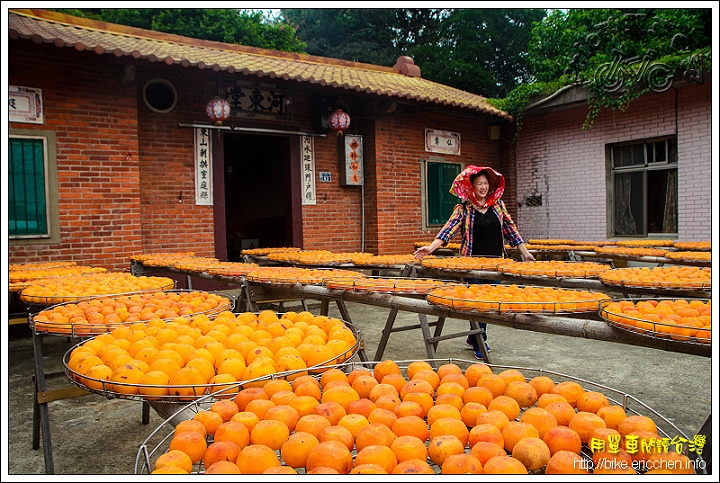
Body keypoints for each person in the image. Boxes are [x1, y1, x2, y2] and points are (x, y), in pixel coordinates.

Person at [413, 165, 534, 360]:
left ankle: (474, 336)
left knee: (490, 301)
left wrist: (525, 253)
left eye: (486, 183)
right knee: (477, 303)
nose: (483, 187)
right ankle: (479, 340)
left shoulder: (498, 206)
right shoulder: (463, 209)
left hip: (496, 263)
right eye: (479, 184)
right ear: (472, 186)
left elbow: (511, 230)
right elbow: (448, 230)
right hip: (472, 264)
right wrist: (430, 248)